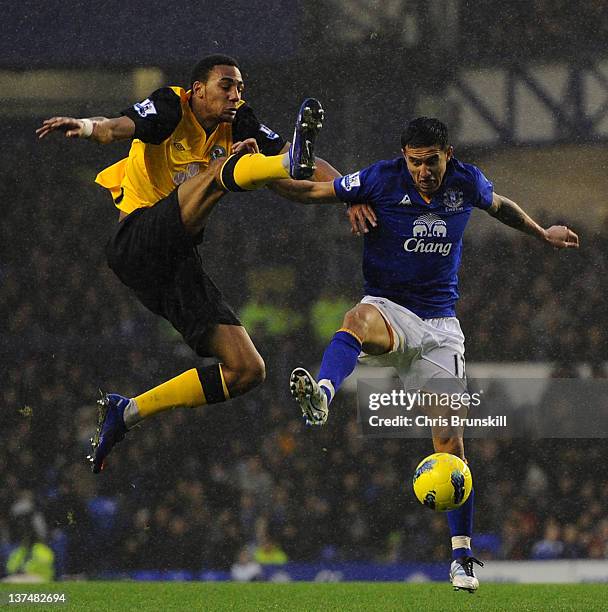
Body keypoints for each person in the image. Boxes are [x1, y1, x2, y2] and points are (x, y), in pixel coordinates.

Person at [285, 117, 579, 592]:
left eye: (431, 161)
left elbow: (501, 207)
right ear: (405, 156)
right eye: (415, 161)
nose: (423, 171)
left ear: (449, 154)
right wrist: (260, 174)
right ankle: (322, 393)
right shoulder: (381, 178)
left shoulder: (468, 182)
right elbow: (313, 189)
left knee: (450, 444)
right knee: (354, 320)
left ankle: (461, 557)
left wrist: (542, 233)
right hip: (388, 308)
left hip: (441, 329)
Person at [36, 54, 336, 474]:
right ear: (198, 90)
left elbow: (302, 182)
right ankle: (277, 163)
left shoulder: (239, 121)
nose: (236, 95)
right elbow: (117, 127)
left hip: (174, 263)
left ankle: (126, 413)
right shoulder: (171, 106)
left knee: (248, 370)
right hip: (136, 242)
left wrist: (351, 191)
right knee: (225, 171)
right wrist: (89, 127)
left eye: (240, 88)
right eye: (226, 86)